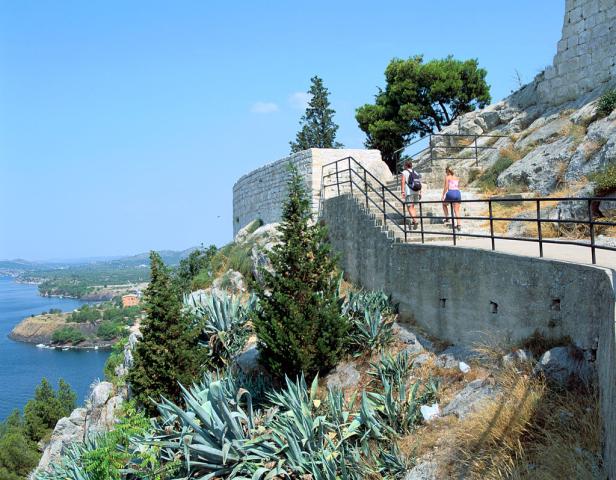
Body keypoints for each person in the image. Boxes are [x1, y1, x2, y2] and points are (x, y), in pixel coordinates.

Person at [401, 160, 422, 230]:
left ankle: (415, 221)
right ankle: (414, 220)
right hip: (416, 191)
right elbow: (419, 181)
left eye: (404, 165)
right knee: (413, 206)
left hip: (409, 192)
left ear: (406, 166)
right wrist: (420, 192)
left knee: (409, 207)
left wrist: (402, 191)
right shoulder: (415, 172)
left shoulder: (404, 172)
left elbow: (403, 182)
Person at [441, 166, 462, 230]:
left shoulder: (447, 177)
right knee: (456, 210)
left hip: (451, 192)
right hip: (458, 193)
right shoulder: (456, 178)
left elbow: (446, 187)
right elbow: (458, 186)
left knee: (444, 204)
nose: (445, 172)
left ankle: (447, 218)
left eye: (446, 171)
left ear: (448, 171)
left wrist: (443, 195)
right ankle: (459, 225)